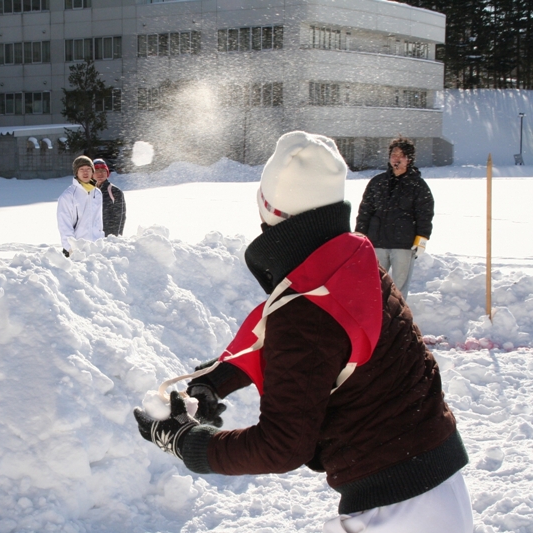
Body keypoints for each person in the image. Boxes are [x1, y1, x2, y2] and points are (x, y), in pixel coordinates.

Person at [134, 131, 471, 533]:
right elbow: (319, 348)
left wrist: (187, 442)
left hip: (396, 507)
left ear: (271, 211)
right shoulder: (350, 262)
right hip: (437, 479)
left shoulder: (307, 310)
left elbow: (282, 445)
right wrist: (217, 380)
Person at [355, 136, 434, 299]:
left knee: (399, 288)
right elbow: (365, 212)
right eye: (393, 154)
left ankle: (396, 320)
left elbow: (424, 214)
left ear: (409, 159)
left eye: (401, 155)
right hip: (377, 243)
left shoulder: (418, 186)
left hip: (403, 245)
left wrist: (422, 240)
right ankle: (376, 318)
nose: (396, 159)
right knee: (373, 284)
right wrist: (360, 237)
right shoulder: (377, 183)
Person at [57, 155, 104, 257]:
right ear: (76, 172)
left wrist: (101, 241)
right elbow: (64, 225)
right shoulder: (68, 196)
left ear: (92, 171)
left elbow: (98, 221)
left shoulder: (97, 193)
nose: (85, 172)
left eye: (88, 169)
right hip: (76, 250)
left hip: (95, 248)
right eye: (81, 169)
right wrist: (71, 248)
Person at [92, 158, 126, 237]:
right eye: (96, 171)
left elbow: (120, 217)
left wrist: (115, 238)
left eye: (103, 171)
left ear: (107, 173)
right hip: (92, 238)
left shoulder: (115, 191)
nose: (100, 173)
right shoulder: (87, 192)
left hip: (109, 238)